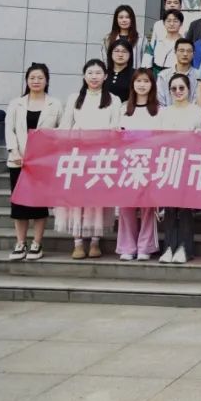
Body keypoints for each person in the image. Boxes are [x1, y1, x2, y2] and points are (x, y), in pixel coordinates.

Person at [58, 59, 122, 260]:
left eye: (98, 73)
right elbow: (65, 126)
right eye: (90, 73)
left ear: (105, 76)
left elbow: (116, 127)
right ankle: (77, 242)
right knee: (76, 199)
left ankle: (95, 241)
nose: (94, 77)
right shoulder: (74, 98)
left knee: (97, 199)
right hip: (77, 155)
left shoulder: (113, 100)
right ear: (84, 76)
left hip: (101, 156)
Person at [4, 63, 62, 261]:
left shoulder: (55, 104)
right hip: (19, 161)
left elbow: (61, 131)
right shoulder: (16, 104)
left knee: (39, 205)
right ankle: (20, 243)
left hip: (43, 164)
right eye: (32, 78)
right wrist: (14, 151)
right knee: (19, 205)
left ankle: (37, 243)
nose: (36, 81)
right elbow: (9, 130)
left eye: (40, 78)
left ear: (47, 81)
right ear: (27, 81)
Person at [157, 72, 201, 264]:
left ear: (189, 89)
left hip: (188, 163)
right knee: (169, 207)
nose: (178, 91)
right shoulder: (164, 112)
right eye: (174, 88)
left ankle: (185, 248)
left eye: (181, 88)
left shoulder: (197, 112)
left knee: (185, 208)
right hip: (169, 163)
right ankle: (168, 247)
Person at [115, 68, 162, 262]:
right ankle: (127, 246)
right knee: (126, 206)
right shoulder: (123, 108)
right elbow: (116, 135)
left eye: (146, 81)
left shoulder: (159, 110)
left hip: (150, 162)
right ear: (132, 84)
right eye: (138, 81)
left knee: (148, 207)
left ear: (152, 85)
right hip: (127, 163)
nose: (142, 85)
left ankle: (145, 246)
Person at [157, 39, 197, 106]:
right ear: (175, 52)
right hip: (167, 112)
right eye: (181, 51)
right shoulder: (163, 75)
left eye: (189, 51)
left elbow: (197, 102)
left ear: (193, 54)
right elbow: (159, 102)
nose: (185, 54)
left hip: (191, 112)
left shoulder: (199, 76)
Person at [143, 9, 183, 75]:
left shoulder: (184, 43)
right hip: (156, 75)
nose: (172, 24)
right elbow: (146, 62)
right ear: (164, 23)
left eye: (175, 21)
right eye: (168, 21)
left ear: (181, 24)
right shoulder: (157, 41)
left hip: (175, 76)